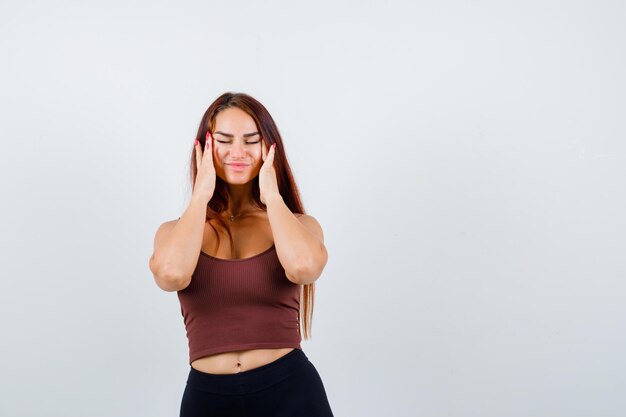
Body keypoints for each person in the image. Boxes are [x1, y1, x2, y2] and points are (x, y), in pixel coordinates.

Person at [148, 92, 335, 416]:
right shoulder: (173, 231)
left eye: (251, 141)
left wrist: (272, 197)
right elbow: (171, 274)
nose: (238, 152)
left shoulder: (299, 225)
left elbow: (304, 268)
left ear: (270, 148)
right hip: (208, 399)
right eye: (224, 140)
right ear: (204, 148)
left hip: (291, 393)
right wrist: (201, 195)